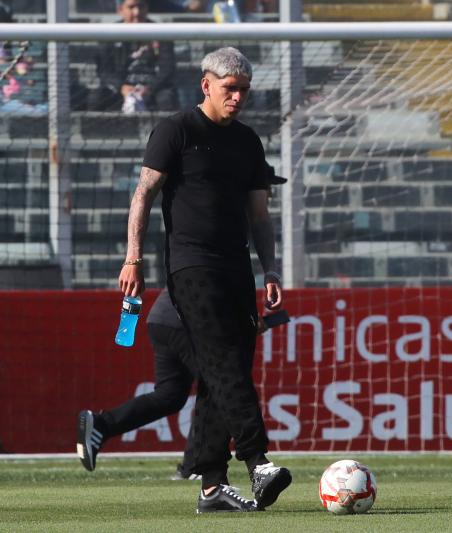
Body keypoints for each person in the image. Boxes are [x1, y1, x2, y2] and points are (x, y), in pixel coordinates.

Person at [117, 46, 290, 514]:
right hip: (191, 267)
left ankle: (212, 486)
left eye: (244, 91)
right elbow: (144, 194)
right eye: (230, 89)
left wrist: (271, 269)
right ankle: (257, 458)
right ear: (206, 85)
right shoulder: (176, 130)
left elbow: (260, 215)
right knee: (221, 360)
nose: (238, 98)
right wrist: (133, 257)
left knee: (224, 370)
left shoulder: (249, 142)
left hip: (238, 269)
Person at [76, 289, 200, 481]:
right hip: (185, 319)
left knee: (170, 395)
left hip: (161, 317)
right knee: (217, 390)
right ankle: (195, 466)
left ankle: (102, 425)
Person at [88, 0, 177, 113]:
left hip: (153, 88)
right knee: (96, 98)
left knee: (166, 98)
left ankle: (166, 131)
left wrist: (149, 88)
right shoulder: (109, 34)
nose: (137, 12)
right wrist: (121, 87)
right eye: (131, 7)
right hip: (120, 88)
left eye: (141, 6)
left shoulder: (161, 32)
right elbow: (104, 71)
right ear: (120, 10)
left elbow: (167, 69)